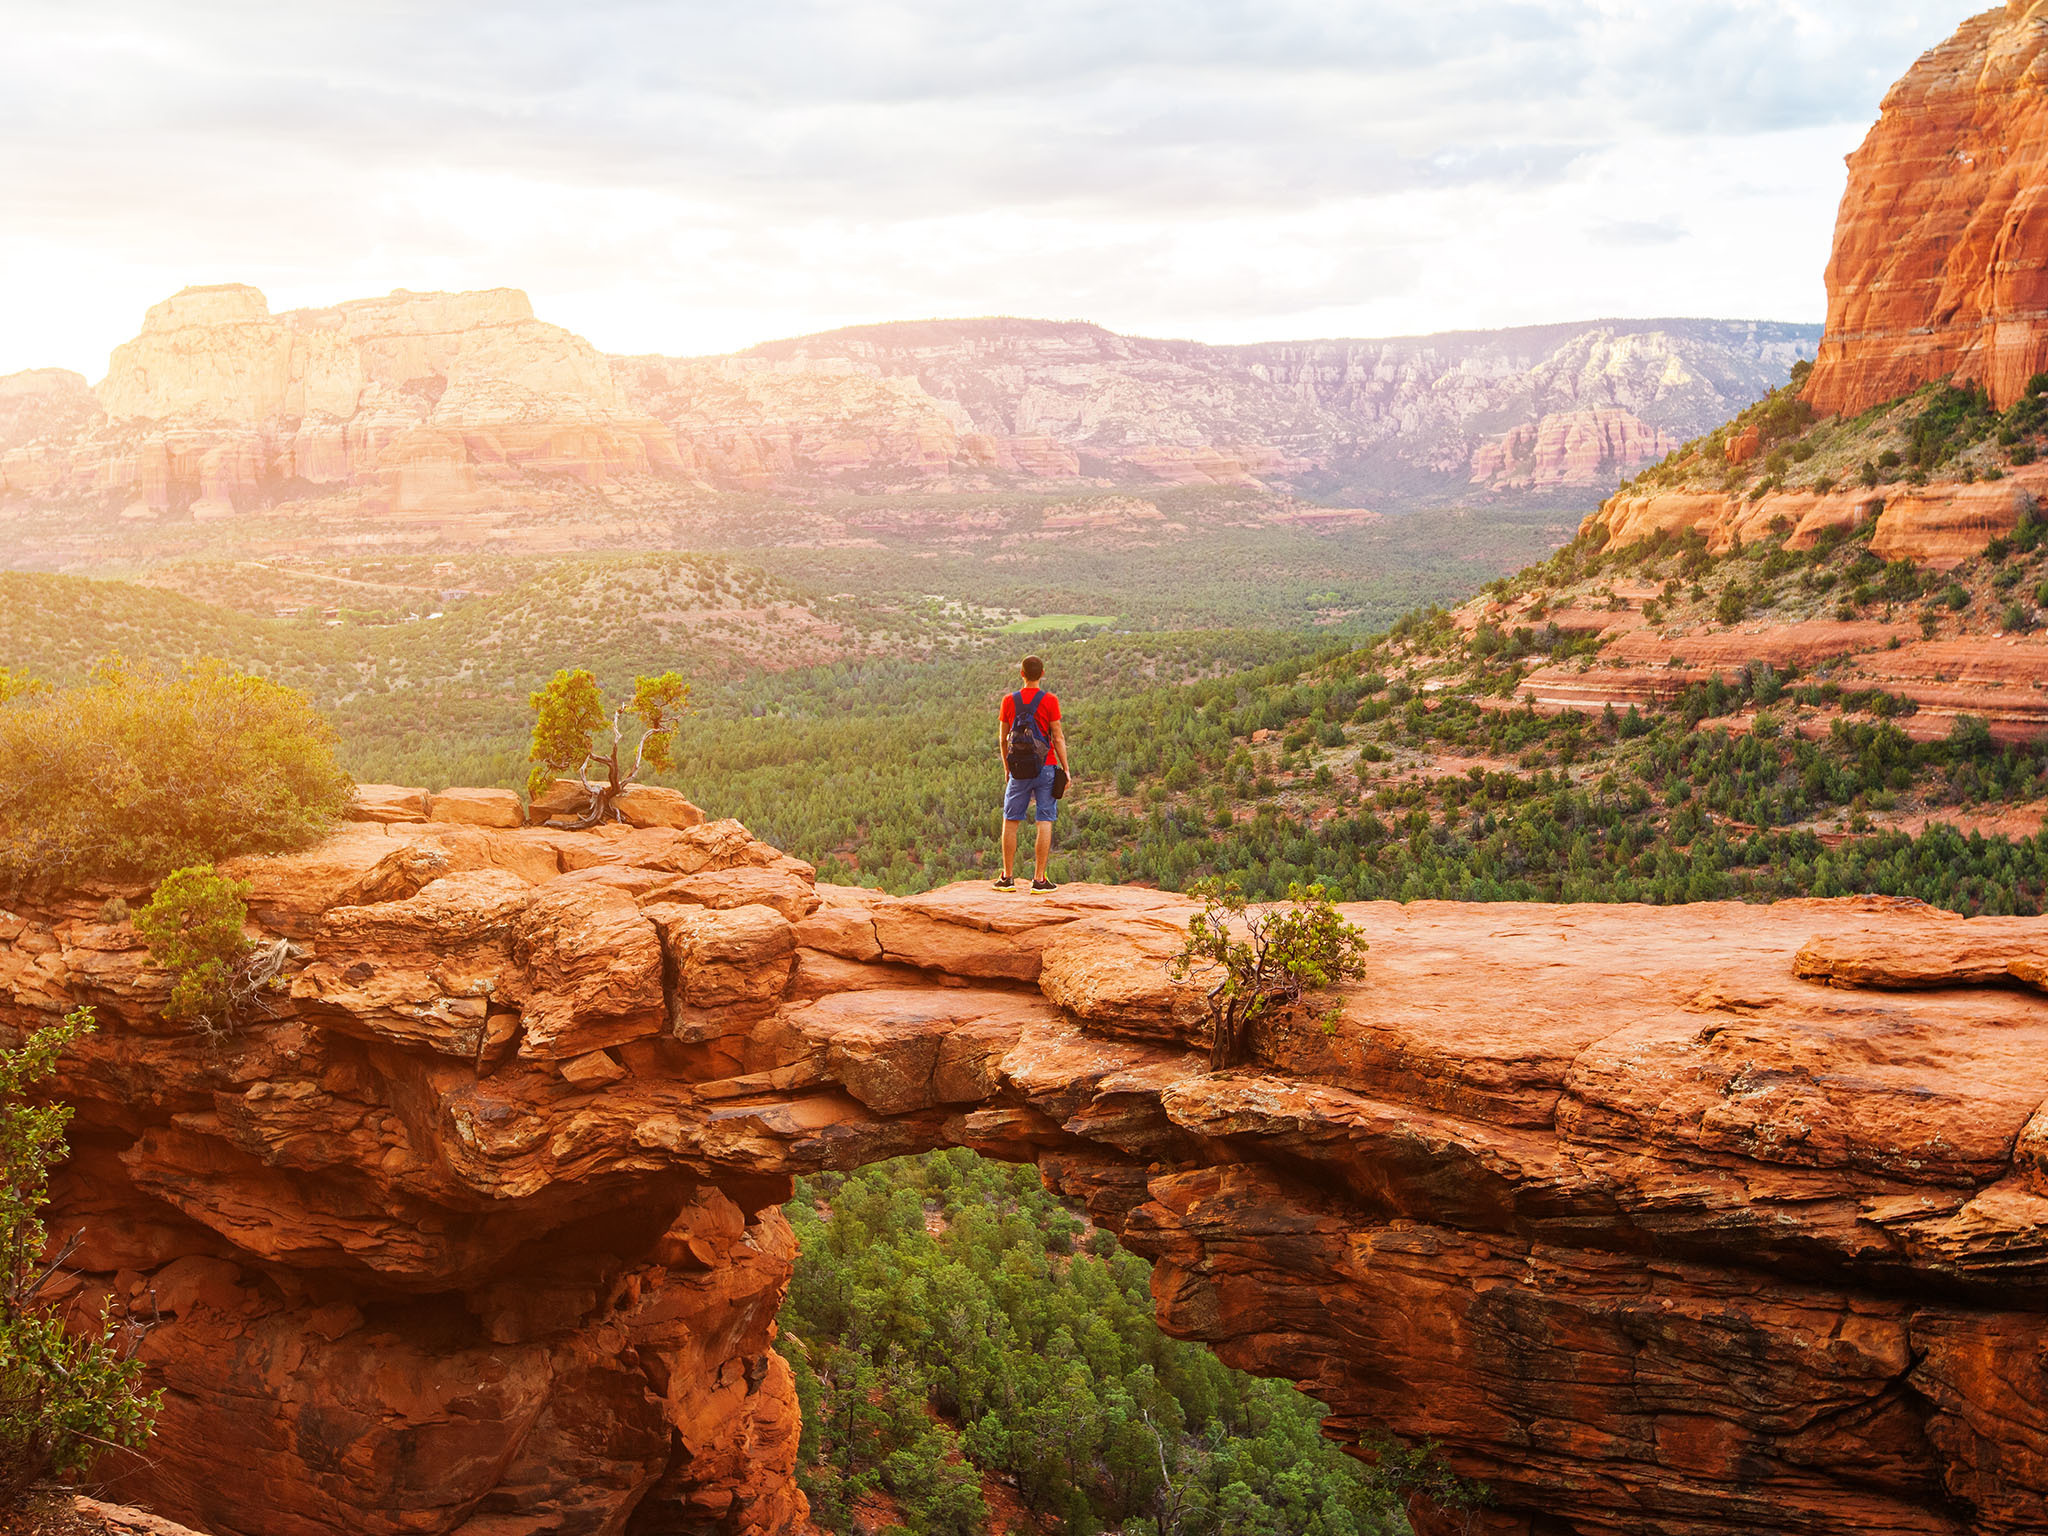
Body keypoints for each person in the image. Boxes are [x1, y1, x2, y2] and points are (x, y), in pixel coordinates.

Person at [995, 655, 1068, 893]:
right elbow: (1057, 737)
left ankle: (1007, 877)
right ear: (1043, 673)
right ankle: (1039, 880)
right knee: (1044, 819)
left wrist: (1007, 767)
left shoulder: (1008, 701)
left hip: (1018, 769)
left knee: (1011, 819)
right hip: (1045, 766)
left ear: (1022, 674)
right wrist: (1065, 769)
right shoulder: (1050, 700)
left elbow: (1003, 738)